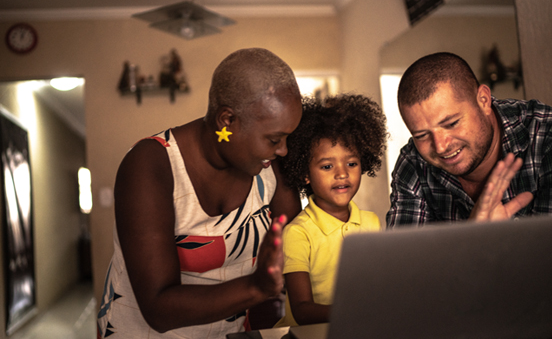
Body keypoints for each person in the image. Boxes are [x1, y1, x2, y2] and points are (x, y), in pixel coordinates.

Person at [97, 48, 303, 339]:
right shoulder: (150, 164)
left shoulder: (269, 166)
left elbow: (297, 244)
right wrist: (255, 287)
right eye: (274, 139)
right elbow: (158, 309)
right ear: (227, 121)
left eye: (287, 137)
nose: (283, 149)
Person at [387, 52, 552, 227]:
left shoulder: (545, 135)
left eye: (451, 123)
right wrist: (473, 237)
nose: (441, 147)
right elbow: (404, 254)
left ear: (483, 100)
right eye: (421, 135)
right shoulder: (413, 163)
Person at [275, 94, 387, 326]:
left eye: (352, 163)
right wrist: (358, 313)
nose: (342, 174)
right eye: (327, 166)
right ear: (305, 174)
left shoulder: (371, 223)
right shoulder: (298, 232)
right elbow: (302, 311)